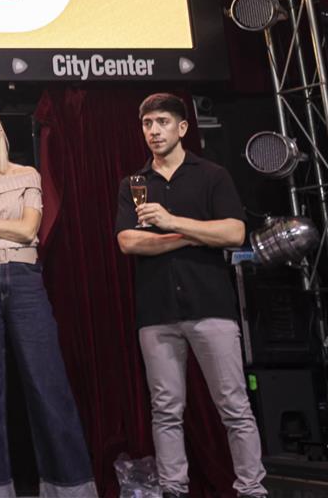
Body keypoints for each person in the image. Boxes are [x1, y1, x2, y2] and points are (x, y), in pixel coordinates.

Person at [0, 104, 96, 498]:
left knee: (48, 384)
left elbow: (27, 231)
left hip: (24, 278)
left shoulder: (26, 175)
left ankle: (70, 489)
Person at [115, 92, 266, 498]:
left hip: (210, 306)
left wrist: (171, 223)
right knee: (166, 409)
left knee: (233, 405)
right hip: (157, 311)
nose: (154, 131)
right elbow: (128, 242)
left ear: (182, 128)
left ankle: (252, 489)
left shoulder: (212, 175)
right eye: (147, 124)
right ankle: (173, 489)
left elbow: (234, 232)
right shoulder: (134, 184)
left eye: (162, 122)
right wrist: (193, 235)